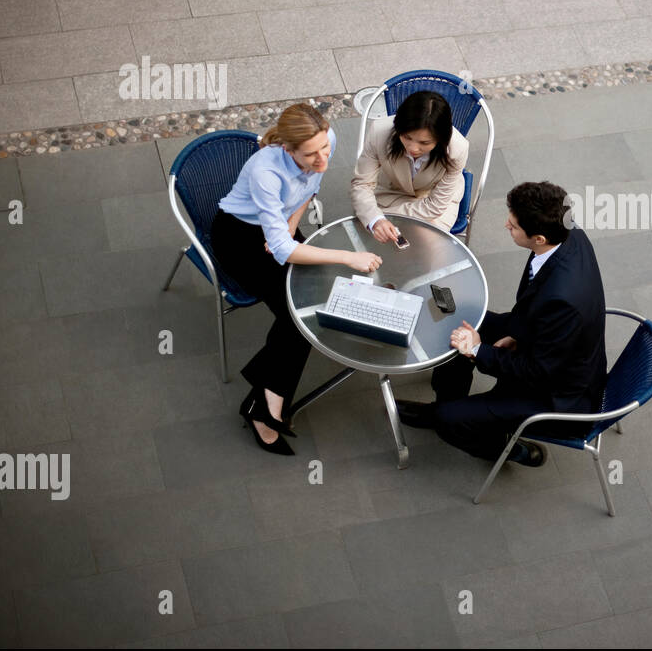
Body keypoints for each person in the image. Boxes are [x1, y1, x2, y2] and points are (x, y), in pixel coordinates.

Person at [211, 103, 382, 455]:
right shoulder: (266, 174)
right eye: (311, 154)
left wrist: (290, 226)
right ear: (288, 149)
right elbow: (283, 251)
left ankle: (263, 398)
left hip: (277, 228)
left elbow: (309, 190)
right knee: (298, 316)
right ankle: (266, 406)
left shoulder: (324, 138)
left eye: (325, 149)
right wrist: (349, 257)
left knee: (312, 304)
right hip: (240, 238)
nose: (322, 159)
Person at [401, 181, 607, 467]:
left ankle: (506, 448)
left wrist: (478, 351)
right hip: (543, 336)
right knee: (460, 322)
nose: (505, 226)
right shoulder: (568, 232)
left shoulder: (563, 300)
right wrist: (515, 336)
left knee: (448, 422)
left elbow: (538, 371)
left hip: (554, 395)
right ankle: (445, 402)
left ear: (538, 238)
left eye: (513, 226)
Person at [351, 90, 469, 240]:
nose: (413, 148)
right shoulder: (379, 132)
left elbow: (435, 207)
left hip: (434, 201)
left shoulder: (457, 149)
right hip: (390, 192)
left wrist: (384, 217)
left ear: (440, 139)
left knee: (427, 244)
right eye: (407, 137)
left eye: (424, 143)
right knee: (371, 235)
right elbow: (362, 184)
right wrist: (376, 219)